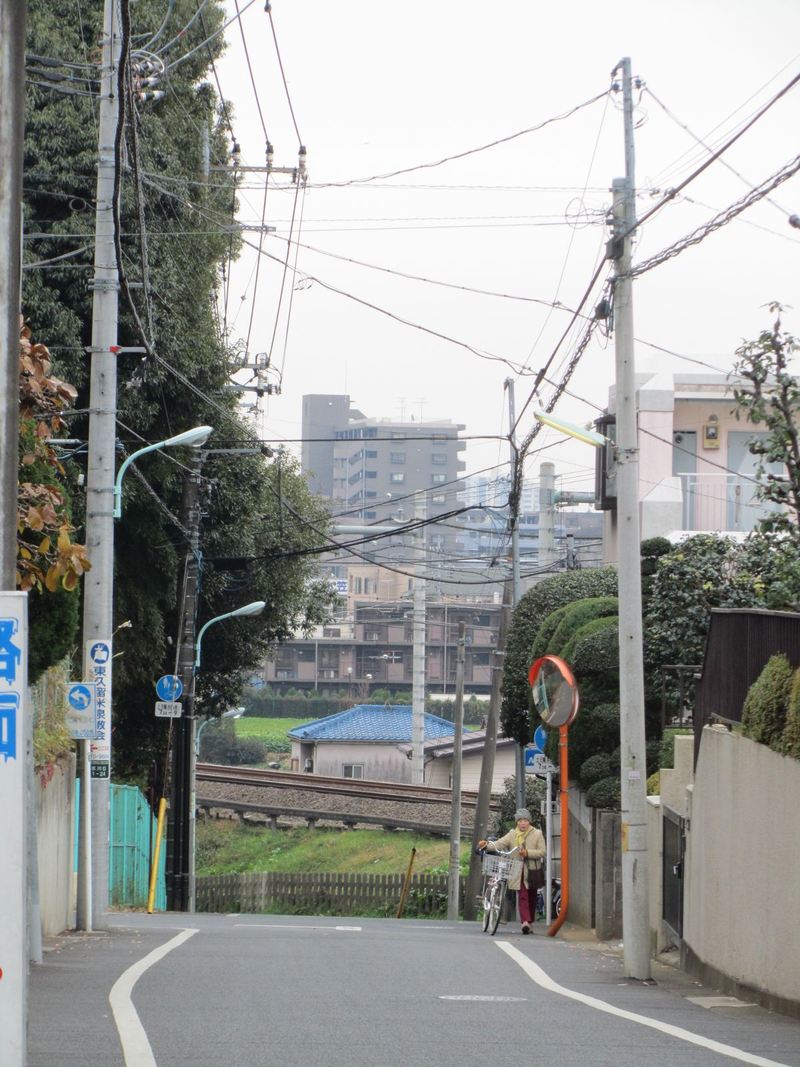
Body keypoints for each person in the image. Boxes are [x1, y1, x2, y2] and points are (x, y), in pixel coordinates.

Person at [479, 808, 546, 934]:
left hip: (532, 871)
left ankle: (530, 923)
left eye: (525, 820)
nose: (523, 823)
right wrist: (486, 845)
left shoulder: (537, 834)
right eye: (520, 820)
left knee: (532, 896)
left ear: (529, 821)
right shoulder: (512, 834)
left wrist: (527, 853)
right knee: (523, 895)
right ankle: (525, 922)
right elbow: (499, 843)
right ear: (517, 822)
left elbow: (542, 852)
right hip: (516, 870)